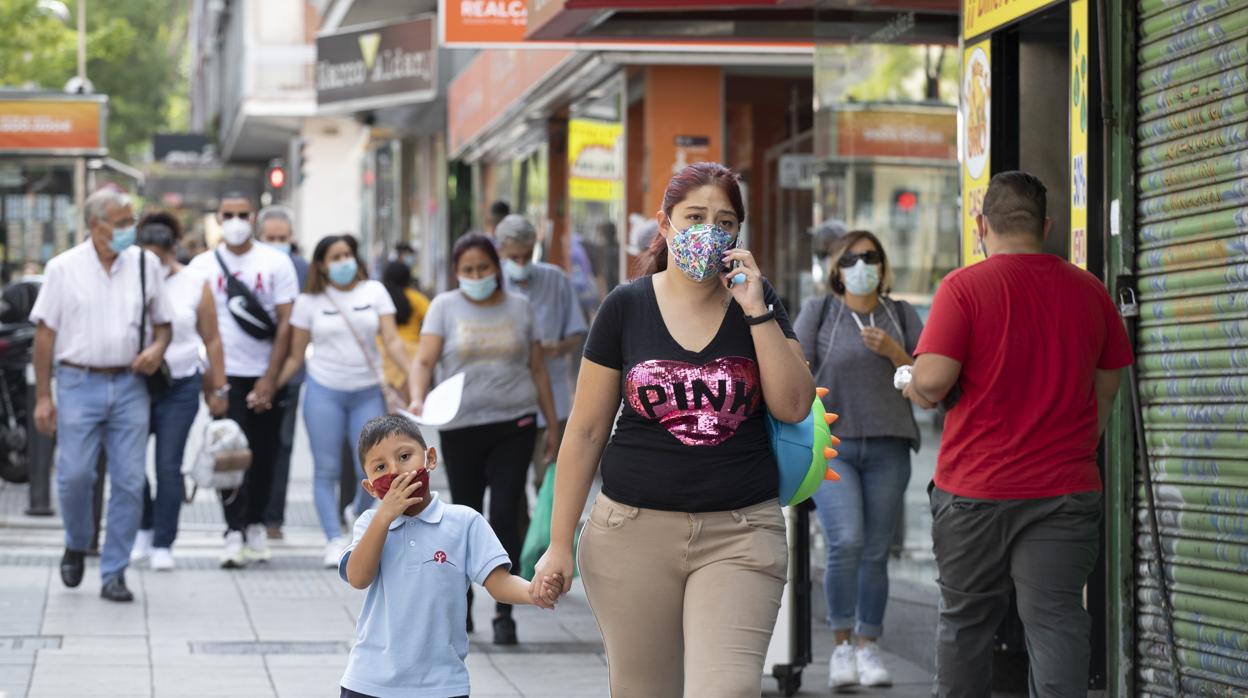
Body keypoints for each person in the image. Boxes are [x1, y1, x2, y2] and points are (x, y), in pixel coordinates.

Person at [532, 162, 815, 697]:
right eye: (696, 216)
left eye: (726, 221)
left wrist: (756, 312)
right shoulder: (626, 306)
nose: (711, 230)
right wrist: (558, 544)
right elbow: (587, 431)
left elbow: (795, 404)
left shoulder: (760, 300)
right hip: (631, 535)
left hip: (741, 533)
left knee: (727, 690)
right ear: (666, 225)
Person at [902, 171, 1132, 697]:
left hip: (977, 491)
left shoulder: (964, 288)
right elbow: (1107, 389)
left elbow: (933, 382)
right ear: (1046, 225)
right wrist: (1075, 448)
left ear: (982, 225)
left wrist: (911, 386)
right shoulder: (1090, 291)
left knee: (965, 625)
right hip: (1065, 490)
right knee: (1056, 621)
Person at [338, 415, 561, 698]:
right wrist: (384, 518)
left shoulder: (464, 522)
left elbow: (497, 582)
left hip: (442, 684)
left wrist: (533, 592)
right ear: (370, 487)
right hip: (369, 681)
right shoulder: (370, 523)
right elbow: (358, 577)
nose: (396, 471)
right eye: (380, 467)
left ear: (430, 458)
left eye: (405, 456)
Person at [410, 234, 560, 646]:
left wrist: (553, 424)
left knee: (506, 509)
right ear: (457, 273)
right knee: (464, 514)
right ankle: (461, 604)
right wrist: (418, 397)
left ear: (496, 267)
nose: (477, 277)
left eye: (483, 268)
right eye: (468, 270)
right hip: (460, 426)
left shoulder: (520, 307)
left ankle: (504, 612)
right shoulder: (444, 307)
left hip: (515, 422)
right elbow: (424, 360)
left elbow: (538, 369)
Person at [792, 230, 923, 689]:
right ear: (836, 269)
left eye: (870, 257)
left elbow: (924, 384)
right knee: (845, 541)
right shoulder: (821, 312)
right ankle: (842, 644)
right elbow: (795, 372)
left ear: (884, 267)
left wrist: (894, 353)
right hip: (835, 447)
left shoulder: (902, 315)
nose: (861, 265)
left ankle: (870, 645)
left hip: (889, 445)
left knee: (875, 551)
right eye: (851, 258)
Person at [31, 188, 172, 602]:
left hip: (130, 385)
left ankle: (115, 570)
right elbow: (44, 334)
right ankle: (77, 541)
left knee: (129, 481)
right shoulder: (63, 268)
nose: (131, 229)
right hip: (78, 383)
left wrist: (157, 349)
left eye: (132, 220)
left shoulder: (146, 265)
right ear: (97, 226)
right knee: (75, 475)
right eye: (124, 221)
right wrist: (43, 395)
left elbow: (164, 325)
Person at [277, 234, 419, 568]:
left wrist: (416, 382)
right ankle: (332, 538)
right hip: (324, 392)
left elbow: (394, 343)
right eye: (335, 257)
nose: (343, 262)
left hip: (368, 392)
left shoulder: (374, 292)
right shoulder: (308, 301)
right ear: (322, 265)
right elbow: (296, 356)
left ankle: (357, 512)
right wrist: (270, 386)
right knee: (326, 468)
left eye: (348, 255)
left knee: (368, 468)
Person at [188, 193, 299, 568]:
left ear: (253, 218)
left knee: (266, 453)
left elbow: (286, 323)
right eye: (228, 214)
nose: (235, 220)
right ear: (218, 218)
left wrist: (270, 378)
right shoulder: (201, 266)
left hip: (266, 373)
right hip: (225, 374)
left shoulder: (275, 263)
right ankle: (233, 530)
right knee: (229, 454)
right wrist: (212, 382)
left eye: (242, 214)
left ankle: (256, 525)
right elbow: (195, 328)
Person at [130, 211, 230, 571]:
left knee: (168, 465)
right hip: (137, 382)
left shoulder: (194, 283)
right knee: (130, 465)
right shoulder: (131, 278)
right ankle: (143, 526)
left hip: (182, 384)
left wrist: (218, 386)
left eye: (160, 257)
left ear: (172, 251)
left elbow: (213, 339)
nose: (153, 264)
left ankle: (162, 541)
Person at [495, 214, 587, 489]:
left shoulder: (555, 279)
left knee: (548, 480)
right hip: (506, 400)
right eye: (514, 257)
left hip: (553, 397)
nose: (521, 263)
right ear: (501, 251)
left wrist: (559, 347)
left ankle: (545, 534)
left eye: (526, 255)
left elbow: (576, 331)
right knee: (509, 486)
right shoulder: (492, 282)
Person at [256, 205, 309, 540]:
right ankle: (247, 515)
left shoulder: (304, 270)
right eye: (270, 238)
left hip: (290, 372)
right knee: (250, 443)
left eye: (282, 238)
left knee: (282, 444)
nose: (277, 244)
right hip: (250, 370)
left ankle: (273, 517)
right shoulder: (247, 269)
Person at [379, 260, 430, 402]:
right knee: (412, 401)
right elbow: (432, 319)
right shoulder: (416, 298)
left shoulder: (381, 299)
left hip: (384, 353)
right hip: (413, 354)